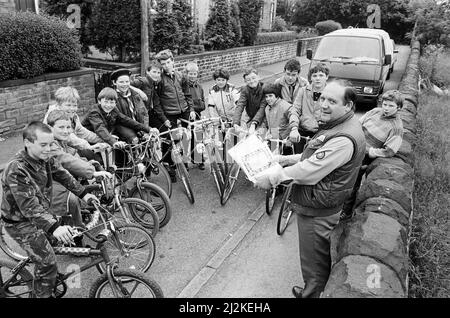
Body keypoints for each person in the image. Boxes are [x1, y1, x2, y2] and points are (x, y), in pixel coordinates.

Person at [254, 80, 366, 298]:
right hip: (321, 203)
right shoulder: (340, 126)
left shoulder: (344, 138)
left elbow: (310, 170)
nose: (323, 104)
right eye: (322, 98)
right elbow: (315, 156)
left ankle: (311, 293)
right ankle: (313, 288)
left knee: (313, 257)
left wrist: (274, 178)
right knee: (316, 254)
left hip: (318, 209)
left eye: (332, 101)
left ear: (348, 106)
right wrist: (286, 158)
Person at [1, 121, 98, 298]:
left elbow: (63, 175)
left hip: (40, 215)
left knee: (52, 246)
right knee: (48, 264)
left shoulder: (45, 158)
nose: (48, 149)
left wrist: (84, 194)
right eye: (43, 145)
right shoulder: (16, 169)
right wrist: (54, 227)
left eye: (50, 144)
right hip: (20, 223)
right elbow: (29, 206)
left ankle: (46, 277)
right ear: (28, 143)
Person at [340, 89, 404, 220]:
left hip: (363, 157)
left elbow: (390, 150)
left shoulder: (396, 127)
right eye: (385, 104)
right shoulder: (375, 112)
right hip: (352, 147)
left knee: (352, 183)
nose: (386, 108)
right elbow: (357, 124)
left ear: (399, 107)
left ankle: (345, 212)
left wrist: (371, 152)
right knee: (337, 176)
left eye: (391, 106)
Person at [46, 110, 112, 237]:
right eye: (61, 127)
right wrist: (91, 172)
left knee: (81, 191)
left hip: (60, 178)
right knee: (71, 199)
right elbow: (66, 160)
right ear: (50, 128)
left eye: (68, 127)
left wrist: (88, 163)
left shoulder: (62, 141)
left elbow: (73, 155)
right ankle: (75, 234)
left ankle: (77, 223)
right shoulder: (50, 144)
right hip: (50, 183)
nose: (66, 131)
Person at [153, 49, 196, 181]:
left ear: (173, 61)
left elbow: (187, 94)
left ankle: (184, 161)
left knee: (186, 136)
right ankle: (169, 166)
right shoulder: (159, 80)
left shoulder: (180, 76)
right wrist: (163, 118)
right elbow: (157, 101)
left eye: (168, 62)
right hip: (169, 113)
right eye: (163, 64)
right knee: (168, 140)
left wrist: (192, 109)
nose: (166, 65)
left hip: (183, 110)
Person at [42, 86, 109, 159]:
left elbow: (82, 131)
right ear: (59, 105)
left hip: (68, 146)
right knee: (90, 155)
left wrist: (103, 139)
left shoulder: (73, 116)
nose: (72, 109)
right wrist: (89, 146)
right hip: (57, 149)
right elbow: (69, 137)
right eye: (68, 105)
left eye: (75, 105)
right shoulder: (56, 117)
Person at [82, 87, 152, 149]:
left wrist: (148, 129)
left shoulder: (114, 110)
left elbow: (127, 120)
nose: (108, 105)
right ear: (99, 101)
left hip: (102, 138)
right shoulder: (94, 112)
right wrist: (113, 141)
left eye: (112, 102)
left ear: (115, 103)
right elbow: (100, 128)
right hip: (87, 141)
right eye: (106, 102)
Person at [289, 63, 330, 153]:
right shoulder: (303, 91)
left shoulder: (331, 93)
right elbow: (295, 110)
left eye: (321, 75)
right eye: (314, 75)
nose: (318, 78)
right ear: (310, 78)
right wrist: (294, 128)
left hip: (321, 133)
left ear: (327, 77)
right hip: (303, 131)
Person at [110, 68, 151, 144]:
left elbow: (144, 113)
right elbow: (121, 120)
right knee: (133, 142)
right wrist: (133, 136)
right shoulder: (113, 98)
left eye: (127, 81)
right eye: (121, 82)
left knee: (148, 142)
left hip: (139, 126)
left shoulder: (135, 95)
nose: (125, 84)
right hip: (124, 129)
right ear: (115, 83)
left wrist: (145, 130)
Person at [130, 60, 166, 129]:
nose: (156, 75)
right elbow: (126, 85)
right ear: (147, 72)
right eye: (154, 72)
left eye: (158, 73)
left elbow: (156, 104)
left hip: (149, 112)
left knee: (163, 129)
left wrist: (164, 119)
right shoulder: (142, 81)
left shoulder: (154, 84)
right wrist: (140, 91)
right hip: (140, 115)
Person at [185, 61, 206, 170]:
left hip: (197, 115)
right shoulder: (184, 86)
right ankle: (184, 163)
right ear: (187, 74)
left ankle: (198, 159)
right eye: (190, 74)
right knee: (185, 138)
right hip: (186, 115)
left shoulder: (199, 86)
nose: (192, 76)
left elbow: (203, 103)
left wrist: (199, 104)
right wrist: (194, 106)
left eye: (194, 74)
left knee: (198, 137)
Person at [232, 68, 267, 135]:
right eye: (248, 80)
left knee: (262, 139)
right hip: (251, 117)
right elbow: (240, 105)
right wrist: (236, 123)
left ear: (258, 77)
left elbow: (262, 108)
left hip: (265, 118)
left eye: (253, 78)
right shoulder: (245, 90)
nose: (252, 81)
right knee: (247, 137)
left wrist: (254, 123)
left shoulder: (264, 88)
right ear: (245, 81)